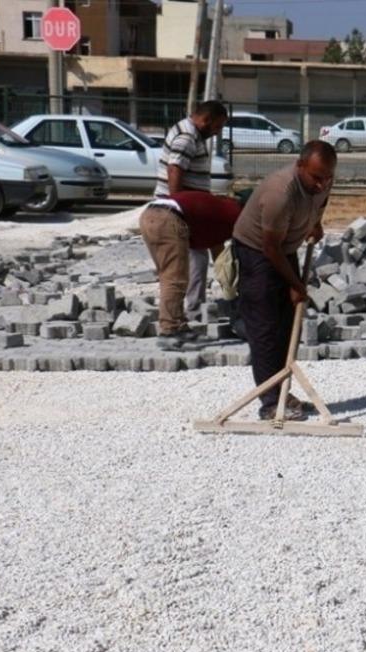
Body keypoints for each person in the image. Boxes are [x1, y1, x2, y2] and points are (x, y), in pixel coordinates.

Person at [231, 140, 335, 422]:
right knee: (266, 325)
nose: (322, 184)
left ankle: (281, 389)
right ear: (300, 166)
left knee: (287, 324)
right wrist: (296, 285)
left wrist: (315, 222)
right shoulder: (281, 191)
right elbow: (269, 249)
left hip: (283, 249)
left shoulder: (322, 181)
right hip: (257, 251)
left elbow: (320, 200)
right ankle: (269, 403)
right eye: (316, 177)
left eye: (328, 177)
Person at [139, 191, 243, 351]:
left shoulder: (222, 210)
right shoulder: (237, 216)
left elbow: (219, 255)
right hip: (169, 217)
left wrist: (229, 289)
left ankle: (179, 326)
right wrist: (233, 294)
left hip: (149, 215)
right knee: (174, 278)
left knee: (168, 275)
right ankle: (170, 332)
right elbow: (223, 258)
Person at [156, 100, 229, 318]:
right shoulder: (187, 137)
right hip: (179, 211)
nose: (217, 133)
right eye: (217, 127)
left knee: (196, 257)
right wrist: (178, 206)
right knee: (195, 259)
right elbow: (174, 170)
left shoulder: (187, 131)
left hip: (186, 209)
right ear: (206, 120)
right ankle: (192, 310)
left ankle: (193, 307)